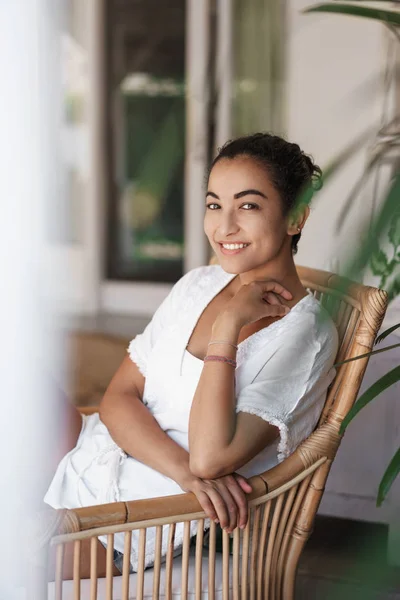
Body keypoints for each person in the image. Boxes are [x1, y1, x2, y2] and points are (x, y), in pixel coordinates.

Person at [44, 132, 339, 579]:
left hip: (133, 519)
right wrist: (186, 475)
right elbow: (118, 397)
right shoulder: (199, 284)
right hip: (87, 450)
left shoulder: (306, 336)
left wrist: (227, 328)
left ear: (296, 217)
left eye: (248, 205)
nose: (224, 227)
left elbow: (210, 458)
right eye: (214, 204)